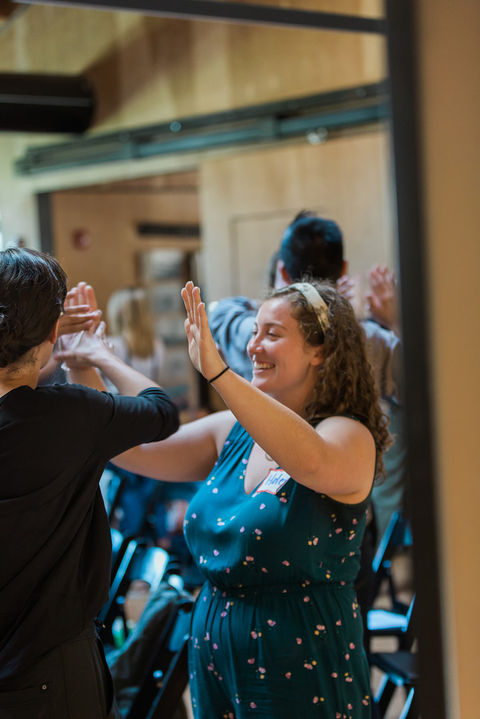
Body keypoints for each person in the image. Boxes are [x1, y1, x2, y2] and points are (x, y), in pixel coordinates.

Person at [60, 278, 390, 718]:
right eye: (253, 332)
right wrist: (86, 362)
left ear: (320, 351)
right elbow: (130, 448)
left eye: (272, 334)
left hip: (299, 659)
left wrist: (219, 373)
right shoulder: (232, 431)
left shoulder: (348, 435)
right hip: (216, 654)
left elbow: (309, 461)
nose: (254, 346)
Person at [0, 248, 179, 718]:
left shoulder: (69, 414)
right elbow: (162, 410)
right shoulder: (67, 415)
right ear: (51, 333)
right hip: (50, 669)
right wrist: (96, 353)